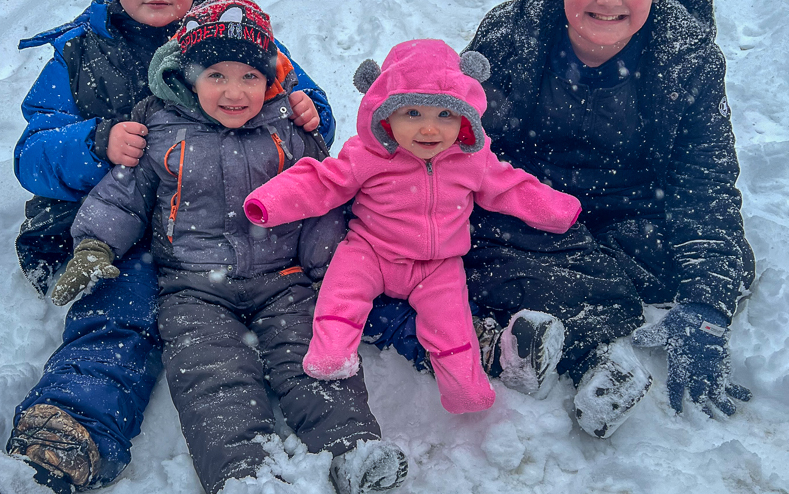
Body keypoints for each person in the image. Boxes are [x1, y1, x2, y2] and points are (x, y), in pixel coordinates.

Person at [0, 0, 333, 494]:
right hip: (105, 226)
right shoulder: (81, 51)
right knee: (125, 302)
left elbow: (304, 102)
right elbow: (32, 155)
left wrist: (309, 110)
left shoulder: (232, 35)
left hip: (207, 225)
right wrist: (97, 143)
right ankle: (62, 436)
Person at [366, 0, 754, 439]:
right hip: (521, 203)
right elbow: (458, 146)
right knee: (423, 242)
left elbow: (706, 183)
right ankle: (522, 339)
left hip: (628, 218)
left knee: (684, 263)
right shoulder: (509, 33)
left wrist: (707, 306)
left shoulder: (686, 57)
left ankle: (538, 325)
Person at [52, 0, 407, 494]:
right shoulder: (158, 128)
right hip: (192, 287)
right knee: (212, 377)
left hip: (284, 280)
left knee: (317, 355)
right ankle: (243, 473)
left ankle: (353, 447)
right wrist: (94, 246)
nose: (234, 92)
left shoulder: (290, 131)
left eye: (249, 77)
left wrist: (332, 272)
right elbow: (123, 196)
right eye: (216, 75)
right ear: (188, 75)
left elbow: (321, 206)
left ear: (270, 80)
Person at [243, 39, 582, 415]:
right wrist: (269, 202)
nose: (429, 130)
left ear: (464, 117)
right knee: (342, 293)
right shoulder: (369, 154)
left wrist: (559, 209)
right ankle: (331, 354)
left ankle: (466, 392)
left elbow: (512, 187)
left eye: (445, 116)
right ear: (386, 115)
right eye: (413, 114)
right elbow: (323, 181)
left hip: (438, 266)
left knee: (452, 330)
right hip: (371, 251)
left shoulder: (473, 161)